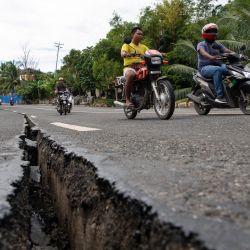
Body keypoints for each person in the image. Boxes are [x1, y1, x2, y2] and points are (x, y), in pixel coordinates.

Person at [197, 23, 233, 103]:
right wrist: (210, 57)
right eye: (210, 31)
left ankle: (231, 90)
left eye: (214, 31)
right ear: (204, 33)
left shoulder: (217, 44)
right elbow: (202, 52)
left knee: (230, 69)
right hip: (204, 68)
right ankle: (219, 96)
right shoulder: (201, 44)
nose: (212, 33)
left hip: (218, 65)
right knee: (218, 70)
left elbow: (226, 50)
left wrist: (237, 54)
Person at [121, 26, 149, 107]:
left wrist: (160, 53)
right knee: (131, 75)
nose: (141, 36)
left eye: (142, 34)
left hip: (142, 67)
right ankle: (127, 99)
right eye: (139, 34)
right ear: (133, 34)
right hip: (130, 67)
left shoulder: (143, 46)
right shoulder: (127, 45)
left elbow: (150, 52)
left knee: (154, 73)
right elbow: (122, 53)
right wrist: (127, 54)